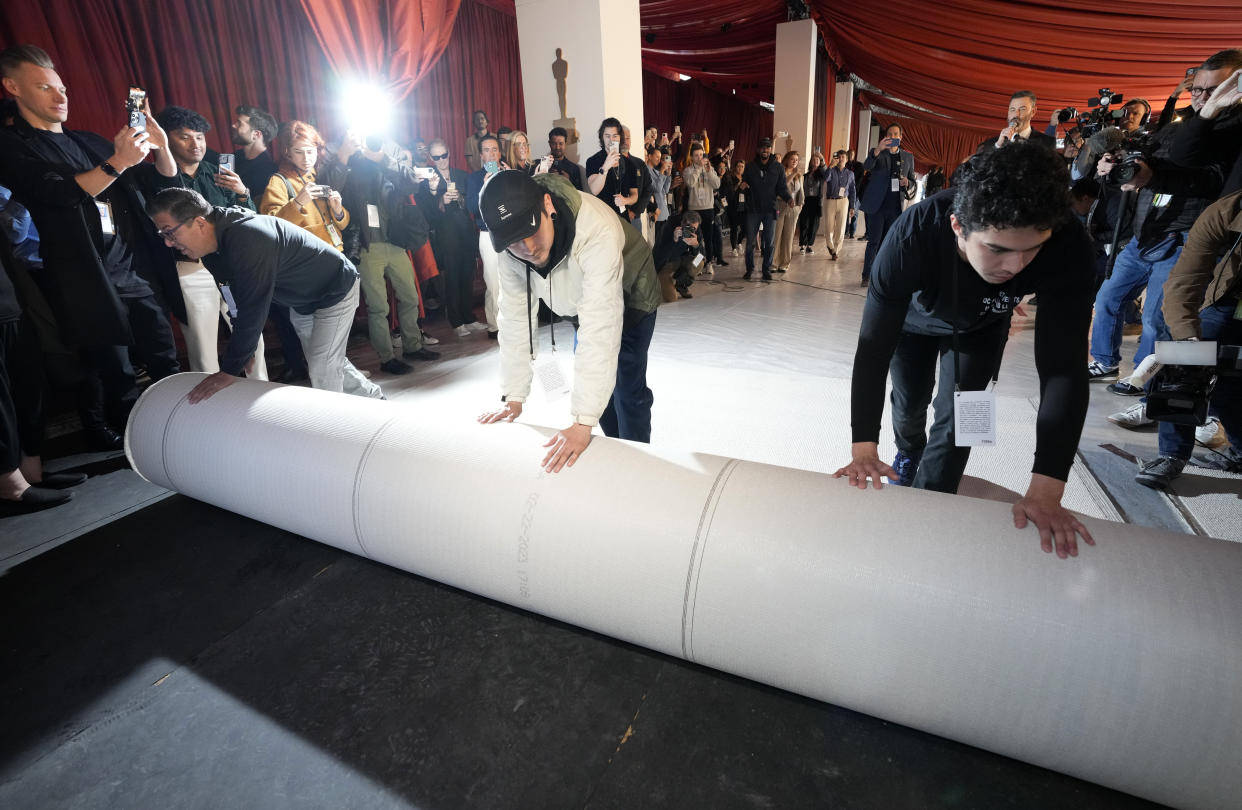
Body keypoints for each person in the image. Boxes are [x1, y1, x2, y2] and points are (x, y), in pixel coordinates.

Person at [833, 141, 1097, 560]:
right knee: (909, 403)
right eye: (998, 249)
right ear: (958, 226)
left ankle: (931, 507)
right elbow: (872, 350)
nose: (1016, 266)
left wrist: (1047, 488)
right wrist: (863, 447)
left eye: (1033, 249)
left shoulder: (1070, 247)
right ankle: (909, 451)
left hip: (983, 328)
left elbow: (1063, 369)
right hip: (913, 325)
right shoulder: (913, 234)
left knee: (962, 421)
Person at [0, 44, 179, 444]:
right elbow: (61, 195)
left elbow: (160, 187)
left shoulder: (89, 141)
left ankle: (183, 428)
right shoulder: (12, 146)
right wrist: (117, 162)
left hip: (133, 265)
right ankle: (140, 446)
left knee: (164, 356)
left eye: (61, 87)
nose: (61, 96)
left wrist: (161, 147)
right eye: (45, 88)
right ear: (12, 87)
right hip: (82, 274)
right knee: (113, 370)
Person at [477, 171, 660, 471]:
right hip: (580, 300)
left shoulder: (595, 228)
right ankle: (616, 445)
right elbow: (514, 318)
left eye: (531, 232)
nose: (528, 248)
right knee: (601, 394)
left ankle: (636, 462)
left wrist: (581, 422)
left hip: (632, 291)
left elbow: (600, 326)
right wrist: (513, 394)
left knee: (627, 387)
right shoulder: (510, 252)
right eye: (514, 242)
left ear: (547, 204)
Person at [147, 188, 384, 401]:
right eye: (162, 235)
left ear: (199, 223)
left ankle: (340, 435)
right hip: (302, 301)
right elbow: (233, 297)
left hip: (335, 289)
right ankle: (374, 399)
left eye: (170, 232)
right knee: (324, 359)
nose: (168, 243)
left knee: (323, 366)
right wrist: (244, 352)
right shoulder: (211, 249)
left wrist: (230, 369)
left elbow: (253, 306)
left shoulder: (248, 237)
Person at [138, 105, 266, 380]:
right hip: (190, 268)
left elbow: (250, 221)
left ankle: (262, 393)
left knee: (251, 335)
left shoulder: (218, 173)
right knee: (202, 343)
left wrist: (243, 193)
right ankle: (209, 411)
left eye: (200, 137)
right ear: (165, 139)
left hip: (229, 264)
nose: (195, 143)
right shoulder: (153, 177)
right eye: (185, 137)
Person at [1136, 189, 1242, 488]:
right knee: (1183, 356)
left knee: (1233, 382)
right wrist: (1188, 341)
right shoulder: (1226, 212)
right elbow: (1185, 281)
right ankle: (1171, 454)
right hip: (1227, 298)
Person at [338, 138, 440, 374]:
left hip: (394, 241)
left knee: (410, 297)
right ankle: (386, 358)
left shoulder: (387, 158)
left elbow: (410, 185)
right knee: (378, 307)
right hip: (367, 245)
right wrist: (350, 155)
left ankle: (413, 346)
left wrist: (381, 158)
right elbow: (334, 186)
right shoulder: (349, 160)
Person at [859, 124, 917, 285]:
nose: (893, 136)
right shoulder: (878, 152)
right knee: (874, 241)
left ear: (901, 136)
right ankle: (867, 275)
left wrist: (908, 183)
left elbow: (912, 180)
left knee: (889, 243)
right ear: (886, 136)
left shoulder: (908, 157)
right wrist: (877, 150)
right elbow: (867, 166)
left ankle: (882, 275)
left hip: (895, 207)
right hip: (877, 205)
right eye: (890, 134)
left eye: (896, 134)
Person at [463, 135, 507, 338]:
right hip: (487, 234)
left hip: (510, 232)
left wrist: (508, 178)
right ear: (481, 155)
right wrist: (484, 186)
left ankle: (513, 322)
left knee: (512, 279)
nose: (492, 154)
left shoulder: (507, 172)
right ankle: (494, 325)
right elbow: (472, 208)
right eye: (487, 150)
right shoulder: (473, 178)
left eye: (495, 149)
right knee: (493, 281)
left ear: (499, 152)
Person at [740, 137, 792, 281]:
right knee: (750, 241)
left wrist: (789, 198)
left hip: (770, 209)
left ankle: (766, 269)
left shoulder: (778, 167)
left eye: (767, 147)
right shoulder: (750, 166)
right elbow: (744, 183)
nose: (765, 150)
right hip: (753, 209)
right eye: (762, 147)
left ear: (770, 149)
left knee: (769, 242)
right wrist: (743, 186)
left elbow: (782, 187)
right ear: (758, 149)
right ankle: (749, 269)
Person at [584, 118, 638, 224]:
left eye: (615, 136)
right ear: (602, 137)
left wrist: (626, 200)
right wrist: (605, 167)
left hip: (623, 218)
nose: (611, 140)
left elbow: (634, 195)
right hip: (602, 218)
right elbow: (594, 190)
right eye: (607, 136)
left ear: (620, 138)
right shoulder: (593, 161)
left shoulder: (629, 164)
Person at [975, 90, 1058, 154]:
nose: (1016, 115)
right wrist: (998, 146)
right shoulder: (992, 143)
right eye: (1012, 109)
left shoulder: (1046, 142)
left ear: (1033, 112)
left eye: (1022, 109)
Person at [229, 105, 279, 206]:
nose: (233, 126)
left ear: (256, 134)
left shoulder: (268, 171)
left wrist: (243, 192)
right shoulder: (236, 157)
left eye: (239, 123)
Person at [681, 141, 720, 268]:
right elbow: (691, 183)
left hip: (708, 208)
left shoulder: (710, 169)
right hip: (693, 210)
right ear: (691, 157)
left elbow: (717, 185)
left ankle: (708, 263)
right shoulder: (688, 171)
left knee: (708, 238)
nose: (699, 158)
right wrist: (698, 168)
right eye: (696, 155)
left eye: (701, 155)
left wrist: (708, 171)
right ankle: (697, 265)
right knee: (694, 238)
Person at [822, 150, 857, 260]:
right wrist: (830, 166)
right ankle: (830, 246)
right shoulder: (831, 170)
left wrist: (852, 206)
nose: (841, 159)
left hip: (843, 201)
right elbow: (825, 179)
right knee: (829, 227)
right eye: (839, 157)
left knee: (841, 228)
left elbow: (852, 190)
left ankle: (835, 251)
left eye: (843, 157)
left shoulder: (850, 174)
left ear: (847, 160)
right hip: (830, 201)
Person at [772, 151, 803, 273]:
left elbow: (801, 192)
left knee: (789, 236)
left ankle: (785, 263)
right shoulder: (780, 172)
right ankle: (774, 263)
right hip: (780, 205)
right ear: (786, 160)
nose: (795, 161)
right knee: (777, 236)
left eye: (796, 159)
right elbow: (782, 186)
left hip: (794, 208)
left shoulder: (799, 175)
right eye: (792, 159)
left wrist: (800, 205)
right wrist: (792, 174)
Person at [797, 151, 826, 254]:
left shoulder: (822, 175)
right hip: (806, 201)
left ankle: (810, 245)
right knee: (804, 223)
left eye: (817, 160)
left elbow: (825, 169)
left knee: (814, 224)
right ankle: (802, 245)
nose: (815, 161)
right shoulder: (805, 175)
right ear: (810, 162)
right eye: (813, 159)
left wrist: (821, 157)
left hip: (816, 201)